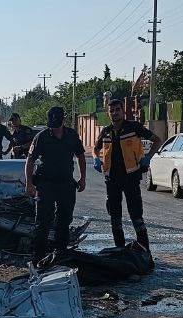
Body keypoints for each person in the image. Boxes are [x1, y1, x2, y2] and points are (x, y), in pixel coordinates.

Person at [94, 97, 161, 259]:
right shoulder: (106, 131)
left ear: (123, 111)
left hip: (131, 178)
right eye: (112, 110)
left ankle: (146, 254)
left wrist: (148, 157)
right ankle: (120, 254)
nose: (115, 113)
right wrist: (97, 159)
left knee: (136, 216)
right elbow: (96, 149)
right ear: (108, 113)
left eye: (118, 109)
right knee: (115, 218)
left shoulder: (134, 128)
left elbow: (157, 140)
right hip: (112, 181)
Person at [25, 106, 86, 262]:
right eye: (51, 124)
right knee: (43, 222)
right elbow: (30, 160)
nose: (54, 127)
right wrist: (29, 184)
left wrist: (82, 178)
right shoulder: (41, 137)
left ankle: (60, 256)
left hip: (66, 184)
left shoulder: (72, 135)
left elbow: (80, 156)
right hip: (45, 184)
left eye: (57, 123)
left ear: (63, 120)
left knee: (64, 221)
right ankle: (38, 258)